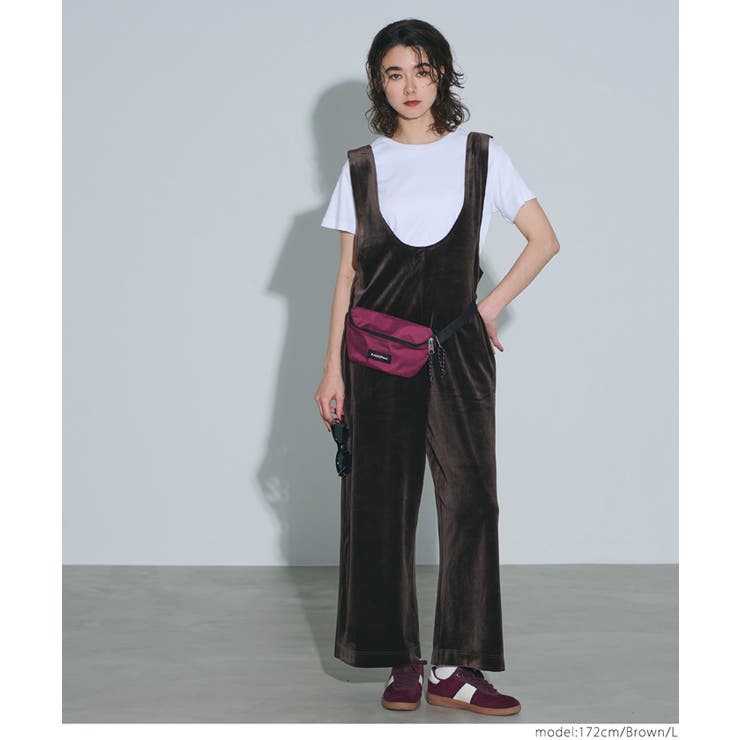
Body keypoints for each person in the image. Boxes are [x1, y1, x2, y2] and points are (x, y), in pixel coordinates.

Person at [314, 18, 559, 717]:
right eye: (395, 73)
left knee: (471, 503)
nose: (410, 86)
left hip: (459, 352)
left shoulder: (481, 155)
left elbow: (543, 240)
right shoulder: (362, 166)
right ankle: (399, 658)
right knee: (381, 507)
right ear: (379, 83)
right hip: (375, 355)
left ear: (443, 74)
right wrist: (331, 370)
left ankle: (456, 667)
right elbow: (347, 277)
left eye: (422, 70)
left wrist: (488, 309)